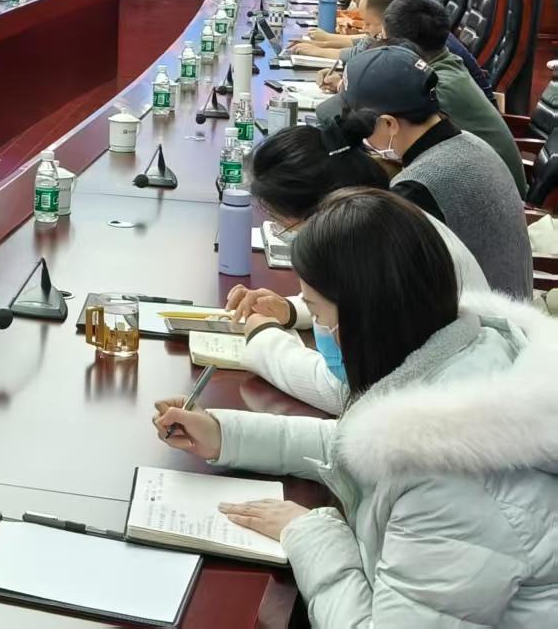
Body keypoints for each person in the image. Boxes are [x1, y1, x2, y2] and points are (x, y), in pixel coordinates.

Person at [155, 189, 558, 628]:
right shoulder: (466, 367)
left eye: (315, 312)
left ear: (362, 318)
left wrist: (311, 533)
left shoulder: (453, 485)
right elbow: (355, 442)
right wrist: (224, 434)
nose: (318, 329)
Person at [224, 130, 488, 414]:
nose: (284, 234)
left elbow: (350, 391)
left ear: (319, 214)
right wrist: (293, 310)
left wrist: (263, 339)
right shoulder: (384, 224)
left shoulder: (378, 247)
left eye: (283, 226)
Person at [336, 45, 532, 298]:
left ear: (389, 124)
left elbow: (372, 282)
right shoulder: (469, 142)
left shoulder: (418, 190)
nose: (363, 138)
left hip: (480, 317)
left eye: (361, 127)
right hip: (510, 305)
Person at [382, 0, 525, 187]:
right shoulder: (445, 61)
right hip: (484, 178)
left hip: (492, 189)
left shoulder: (436, 88)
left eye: (383, 39)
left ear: (403, 46)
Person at [313, 0, 491, 96]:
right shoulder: (423, 40)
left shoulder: (437, 70)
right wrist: (343, 83)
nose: (366, 30)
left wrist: (346, 85)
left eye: (369, 23)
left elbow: (391, 100)